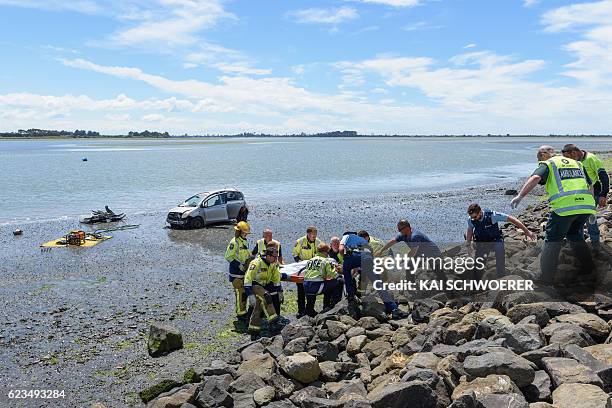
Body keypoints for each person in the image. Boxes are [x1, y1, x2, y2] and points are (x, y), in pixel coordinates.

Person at [510, 145, 596, 286]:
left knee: (552, 240)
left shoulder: (549, 163)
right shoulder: (577, 163)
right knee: (574, 235)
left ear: (544, 154)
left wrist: (520, 196)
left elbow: (536, 177)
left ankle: (545, 278)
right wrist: (592, 208)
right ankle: (589, 269)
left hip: (565, 209)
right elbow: (590, 185)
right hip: (585, 207)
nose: (538, 161)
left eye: (538, 158)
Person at [340, 231, 407, 319]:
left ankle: (351, 296)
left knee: (346, 272)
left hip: (353, 256)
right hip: (367, 257)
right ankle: (394, 309)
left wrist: (346, 259)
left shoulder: (346, 237)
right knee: (378, 284)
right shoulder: (363, 240)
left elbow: (341, 249)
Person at [465, 203, 536, 278]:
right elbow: (470, 230)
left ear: (480, 212)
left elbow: (511, 219)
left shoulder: (493, 215)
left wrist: (527, 231)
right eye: (472, 218)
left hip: (495, 239)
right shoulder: (471, 220)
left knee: (499, 248)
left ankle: (501, 276)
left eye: (475, 217)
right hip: (483, 242)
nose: (474, 219)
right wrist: (468, 244)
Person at [561, 144, 609, 248]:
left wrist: (603, 195)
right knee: (577, 219)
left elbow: (604, 177)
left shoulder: (591, 159)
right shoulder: (574, 161)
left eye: (568, 157)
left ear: (573, 153)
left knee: (590, 219)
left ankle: (595, 244)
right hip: (579, 195)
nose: (568, 160)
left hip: (594, 193)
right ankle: (579, 244)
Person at [244, 247, 284, 340]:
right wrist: (250, 295)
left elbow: (276, 278)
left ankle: (253, 330)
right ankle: (273, 322)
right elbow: (248, 279)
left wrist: (279, 291)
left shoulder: (273, 264)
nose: (276, 259)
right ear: (268, 256)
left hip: (265, 285)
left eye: (277, 257)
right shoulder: (256, 263)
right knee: (266, 297)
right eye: (274, 257)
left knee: (258, 305)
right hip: (254, 285)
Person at [224, 221, 252, 331]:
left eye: (246, 233)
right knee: (239, 293)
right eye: (244, 233)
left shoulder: (244, 241)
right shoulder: (234, 242)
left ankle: (243, 312)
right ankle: (240, 315)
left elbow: (245, 253)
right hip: (236, 273)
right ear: (238, 232)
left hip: (243, 272)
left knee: (244, 293)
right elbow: (228, 256)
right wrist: (238, 265)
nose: (246, 235)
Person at [303, 244, 343, 317]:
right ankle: (334, 305)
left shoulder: (310, 260)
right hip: (316, 286)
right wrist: (339, 273)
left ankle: (309, 311)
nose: (328, 255)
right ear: (324, 252)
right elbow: (332, 274)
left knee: (327, 283)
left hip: (306, 286)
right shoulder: (325, 261)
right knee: (339, 281)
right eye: (328, 252)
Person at [291, 226, 321, 318]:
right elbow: (295, 254)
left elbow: (320, 254)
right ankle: (301, 311)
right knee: (301, 291)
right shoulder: (300, 241)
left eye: (315, 235)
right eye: (313, 235)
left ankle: (310, 309)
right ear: (308, 234)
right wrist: (300, 263)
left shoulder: (318, 242)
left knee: (312, 289)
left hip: (313, 268)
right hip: (301, 268)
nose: (314, 236)